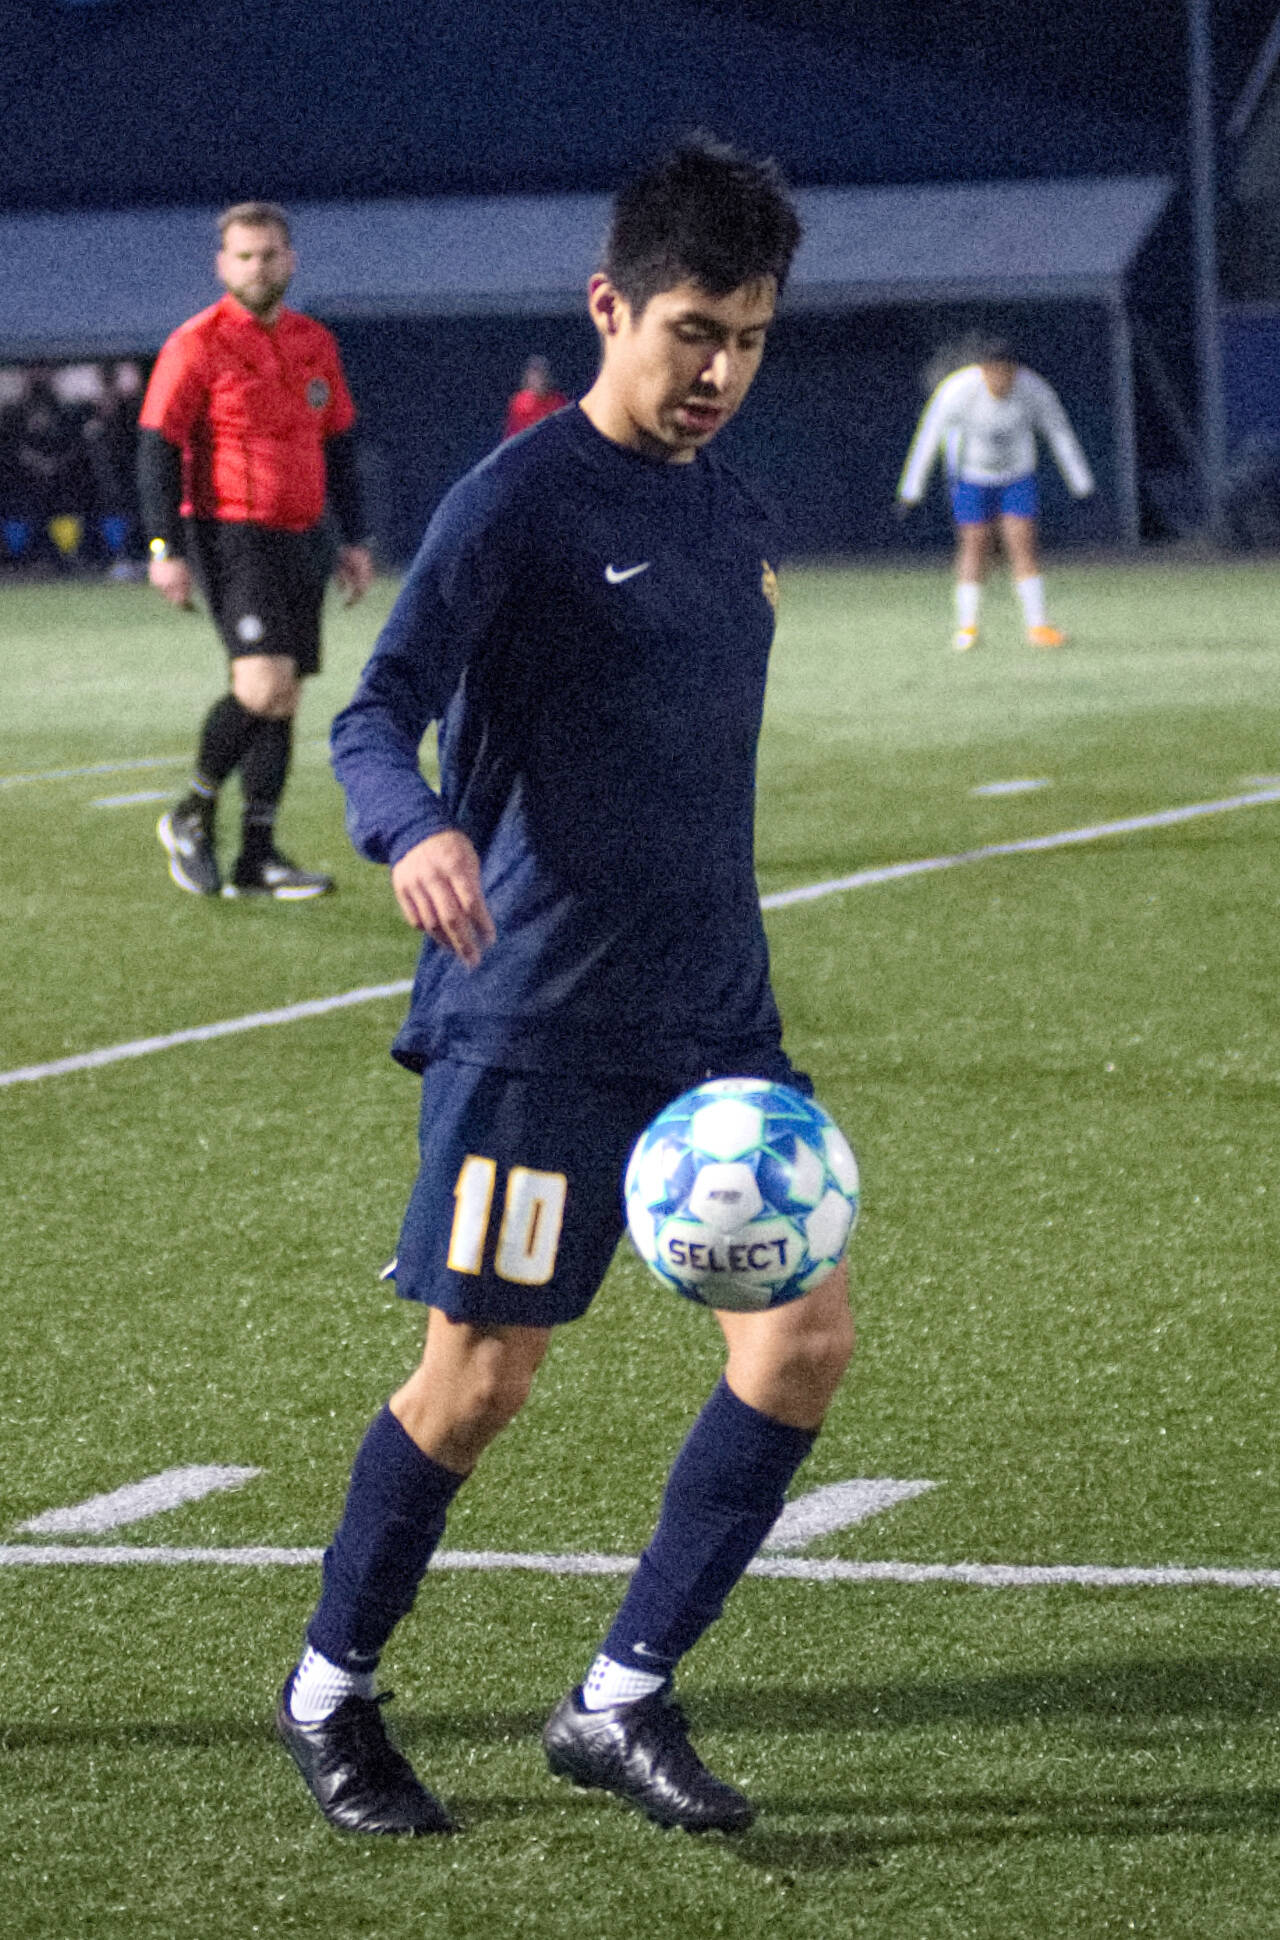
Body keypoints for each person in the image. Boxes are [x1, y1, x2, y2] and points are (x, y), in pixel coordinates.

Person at [276, 137, 855, 1840]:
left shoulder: (731, 502)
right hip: (537, 1025)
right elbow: (375, 711)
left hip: (715, 1026)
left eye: (749, 338)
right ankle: (331, 1691)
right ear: (610, 307)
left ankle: (620, 1697)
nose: (720, 372)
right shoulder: (517, 502)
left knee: (802, 1343)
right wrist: (413, 835)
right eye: (692, 331)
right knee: (480, 1384)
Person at [137, 201, 374, 900]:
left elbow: (339, 443)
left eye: (270, 254)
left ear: (290, 258)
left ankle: (257, 858)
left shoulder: (313, 341)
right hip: (232, 534)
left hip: (305, 534)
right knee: (261, 686)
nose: (258, 267)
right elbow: (157, 447)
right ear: (223, 265)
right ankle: (192, 812)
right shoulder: (198, 343)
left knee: (285, 699)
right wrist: (163, 547)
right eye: (245, 256)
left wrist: (353, 539)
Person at [896, 339, 1095, 652]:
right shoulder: (957, 391)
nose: (1002, 380)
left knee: (1023, 544)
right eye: (994, 372)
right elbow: (929, 436)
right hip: (970, 477)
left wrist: (1082, 485)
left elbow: (1059, 432)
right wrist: (911, 492)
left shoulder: (1034, 390)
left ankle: (1038, 626)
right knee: (975, 545)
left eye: (1008, 372)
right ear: (983, 370)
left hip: (1016, 476)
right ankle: (967, 628)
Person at [501, 353, 569, 439]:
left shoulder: (558, 400)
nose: (538, 379)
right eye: (533, 374)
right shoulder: (519, 403)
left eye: (542, 374)